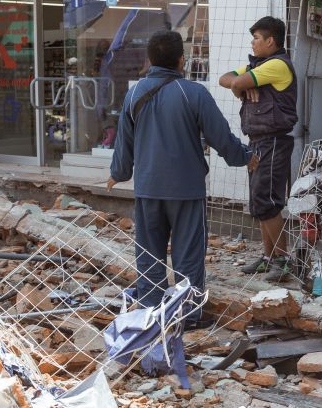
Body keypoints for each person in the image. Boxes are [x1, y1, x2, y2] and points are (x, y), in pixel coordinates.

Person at [107, 30, 257, 327]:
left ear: (149, 60)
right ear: (181, 60)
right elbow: (221, 138)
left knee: (149, 255)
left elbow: (124, 144)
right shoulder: (194, 93)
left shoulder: (134, 93)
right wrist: (245, 156)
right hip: (187, 190)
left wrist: (117, 174)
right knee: (188, 257)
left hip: (148, 188)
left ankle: (151, 315)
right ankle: (186, 316)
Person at [219, 16, 298, 282]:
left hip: (273, 141)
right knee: (259, 201)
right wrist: (241, 86)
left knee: (268, 201)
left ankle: (284, 260)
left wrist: (243, 86)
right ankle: (269, 257)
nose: (252, 43)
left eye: (256, 38)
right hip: (258, 141)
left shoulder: (277, 65)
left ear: (270, 41)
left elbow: (237, 82)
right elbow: (224, 78)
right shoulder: (259, 65)